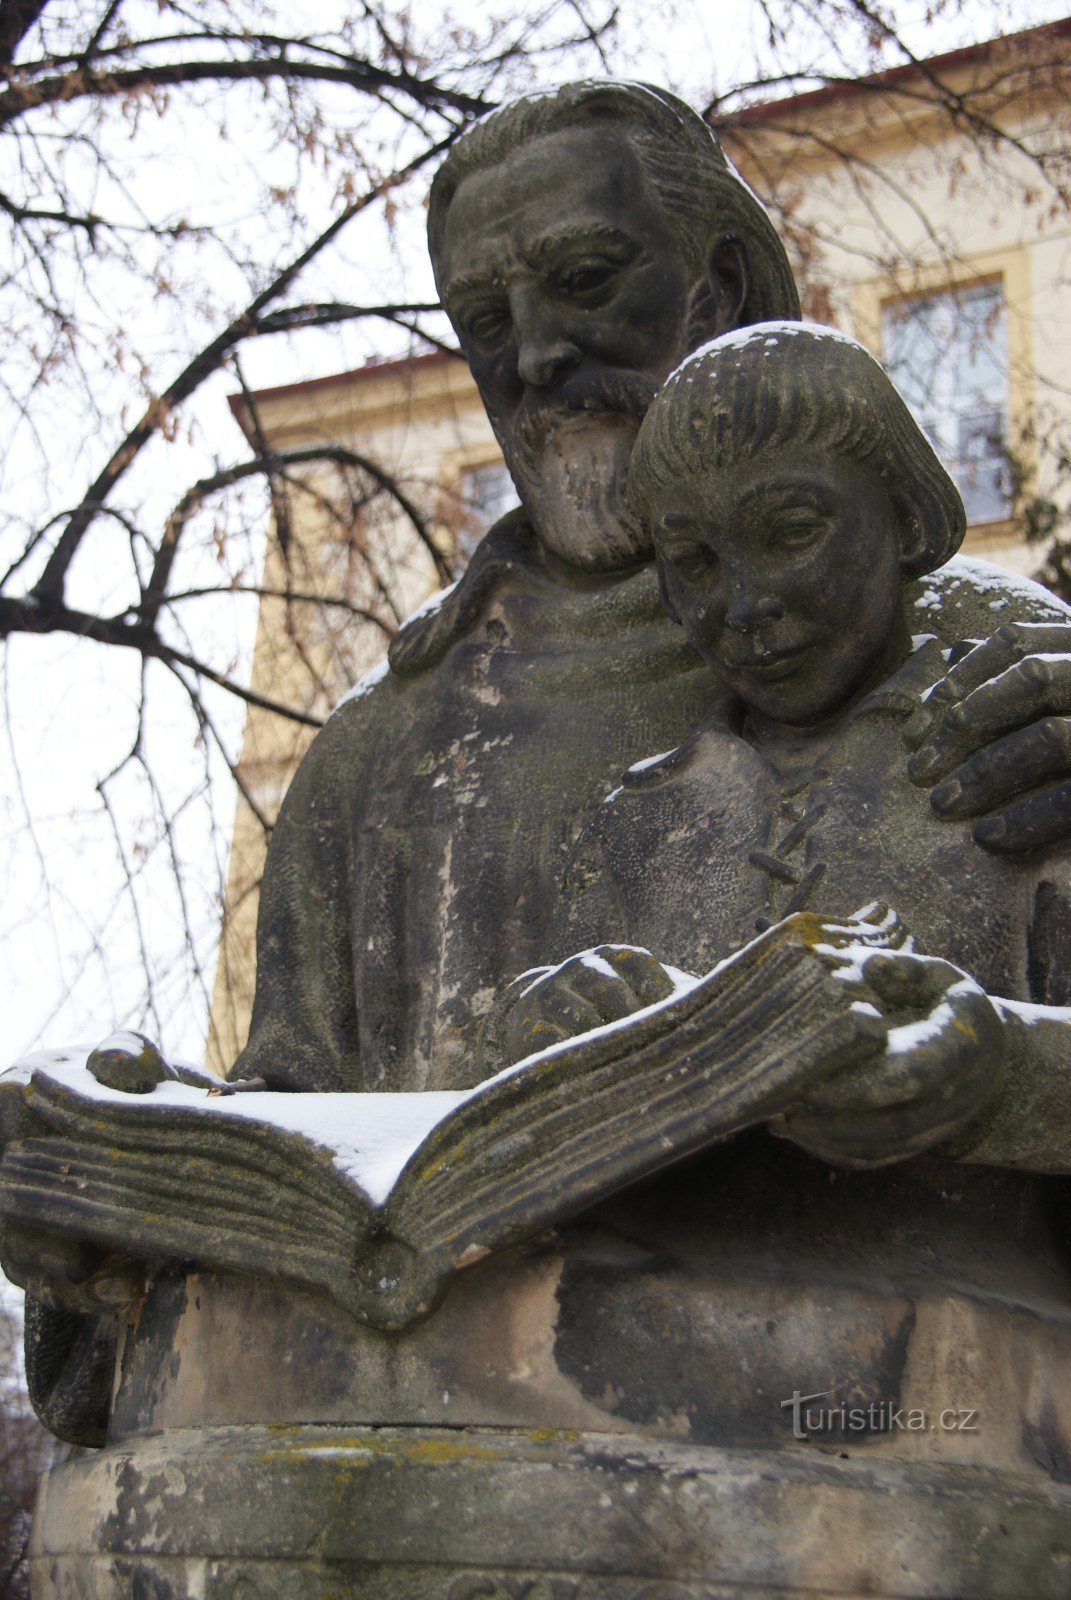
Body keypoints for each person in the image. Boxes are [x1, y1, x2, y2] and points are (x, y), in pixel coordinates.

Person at [503, 323, 1071, 1172]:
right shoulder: (634, 821)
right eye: (693, 561)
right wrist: (541, 1031)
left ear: (907, 517)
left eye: (790, 531)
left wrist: (1001, 1072)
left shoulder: (1013, 751)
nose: (741, 605)